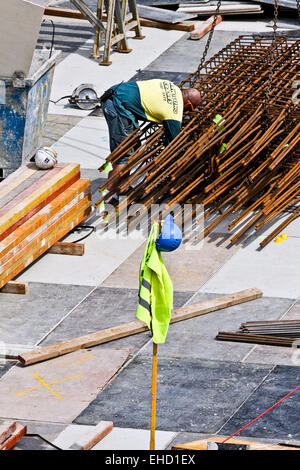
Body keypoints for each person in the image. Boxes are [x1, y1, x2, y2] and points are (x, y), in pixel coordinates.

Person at [101, 79, 201, 193]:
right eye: (190, 109)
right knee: (124, 154)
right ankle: (110, 191)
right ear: (188, 104)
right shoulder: (174, 112)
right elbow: (173, 146)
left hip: (117, 91)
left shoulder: (169, 84)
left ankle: (121, 185)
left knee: (133, 148)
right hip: (116, 105)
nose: (187, 112)